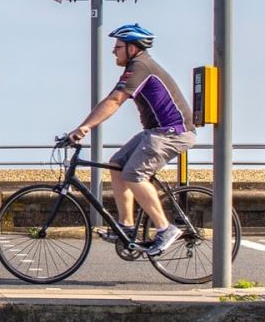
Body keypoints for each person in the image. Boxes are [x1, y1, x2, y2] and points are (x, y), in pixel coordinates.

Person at [65, 23, 196, 258]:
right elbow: (110, 98)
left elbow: (115, 101)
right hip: (156, 131)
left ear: (133, 49)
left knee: (134, 174)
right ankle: (125, 226)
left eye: (118, 46)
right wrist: (81, 127)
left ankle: (166, 229)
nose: (114, 51)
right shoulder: (135, 67)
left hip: (172, 132)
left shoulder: (141, 66)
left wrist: (83, 128)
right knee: (117, 164)